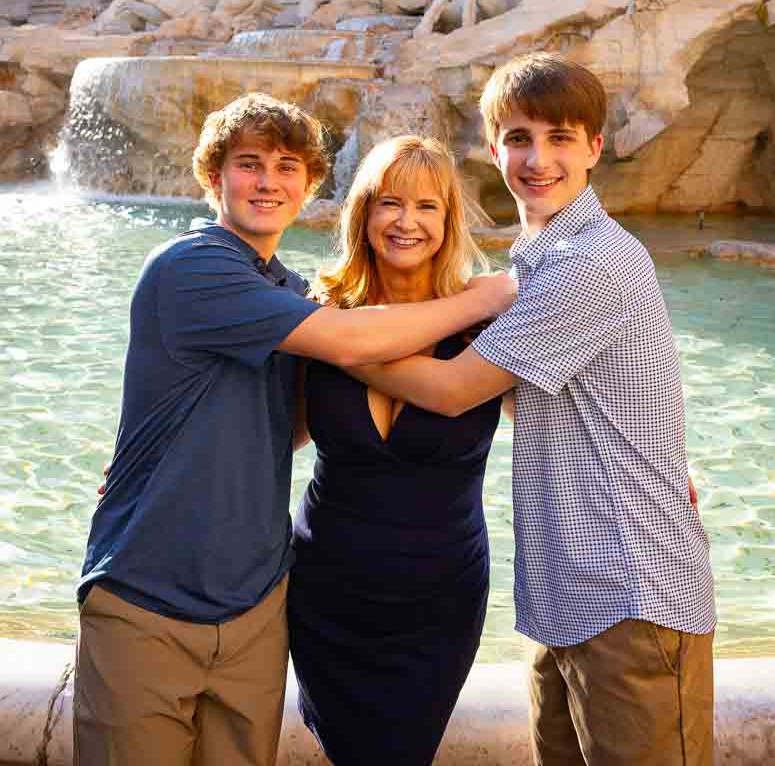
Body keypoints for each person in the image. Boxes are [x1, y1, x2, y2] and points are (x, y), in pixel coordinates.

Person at [73, 93, 514, 766]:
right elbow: (345, 347)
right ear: (213, 177)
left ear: (311, 187)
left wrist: (657, 458)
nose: (268, 182)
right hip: (152, 596)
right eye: (248, 164)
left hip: (262, 606)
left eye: (287, 167)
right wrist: (485, 294)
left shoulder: (289, 293)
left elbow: (287, 422)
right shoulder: (198, 270)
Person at [342, 53, 716, 766]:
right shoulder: (535, 261)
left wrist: (330, 341)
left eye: (560, 138)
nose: (537, 158)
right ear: (492, 149)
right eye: (518, 138)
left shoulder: (590, 262)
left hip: (631, 596)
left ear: (595, 148)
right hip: (566, 595)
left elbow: (454, 390)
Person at [288, 136, 504, 766]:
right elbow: (277, 431)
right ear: (363, 213)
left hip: (438, 599)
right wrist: (157, 451)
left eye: (426, 207)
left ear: (448, 220)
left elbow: (569, 417)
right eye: (389, 203)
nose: (406, 222)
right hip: (328, 589)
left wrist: (663, 459)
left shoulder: (488, 325)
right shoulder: (321, 316)